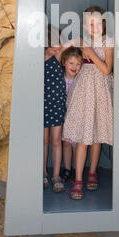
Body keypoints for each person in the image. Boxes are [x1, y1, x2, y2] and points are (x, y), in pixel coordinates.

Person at [62, 6, 114, 200]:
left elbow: (107, 70)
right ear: (85, 25)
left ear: (104, 23)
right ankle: (78, 179)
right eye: (90, 23)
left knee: (97, 135)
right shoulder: (81, 40)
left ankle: (92, 172)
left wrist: (90, 53)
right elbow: (60, 51)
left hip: (100, 91)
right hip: (83, 91)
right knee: (82, 136)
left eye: (98, 23)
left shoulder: (108, 41)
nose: (94, 27)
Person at [44, 24, 66, 193]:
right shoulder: (37, 59)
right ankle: (43, 172)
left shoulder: (58, 56)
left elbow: (76, 41)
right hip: (41, 104)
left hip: (57, 104)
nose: (55, 49)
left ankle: (56, 175)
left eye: (57, 45)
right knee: (43, 141)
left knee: (56, 140)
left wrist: (59, 45)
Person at [60, 46, 83, 183]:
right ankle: (67, 169)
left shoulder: (81, 80)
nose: (74, 67)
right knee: (66, 143)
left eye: (78, 64)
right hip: (64, 115)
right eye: (71, 63)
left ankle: (76, 169)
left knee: (76, 144)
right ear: (64, 62)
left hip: (77, 116)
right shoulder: (60, 78)